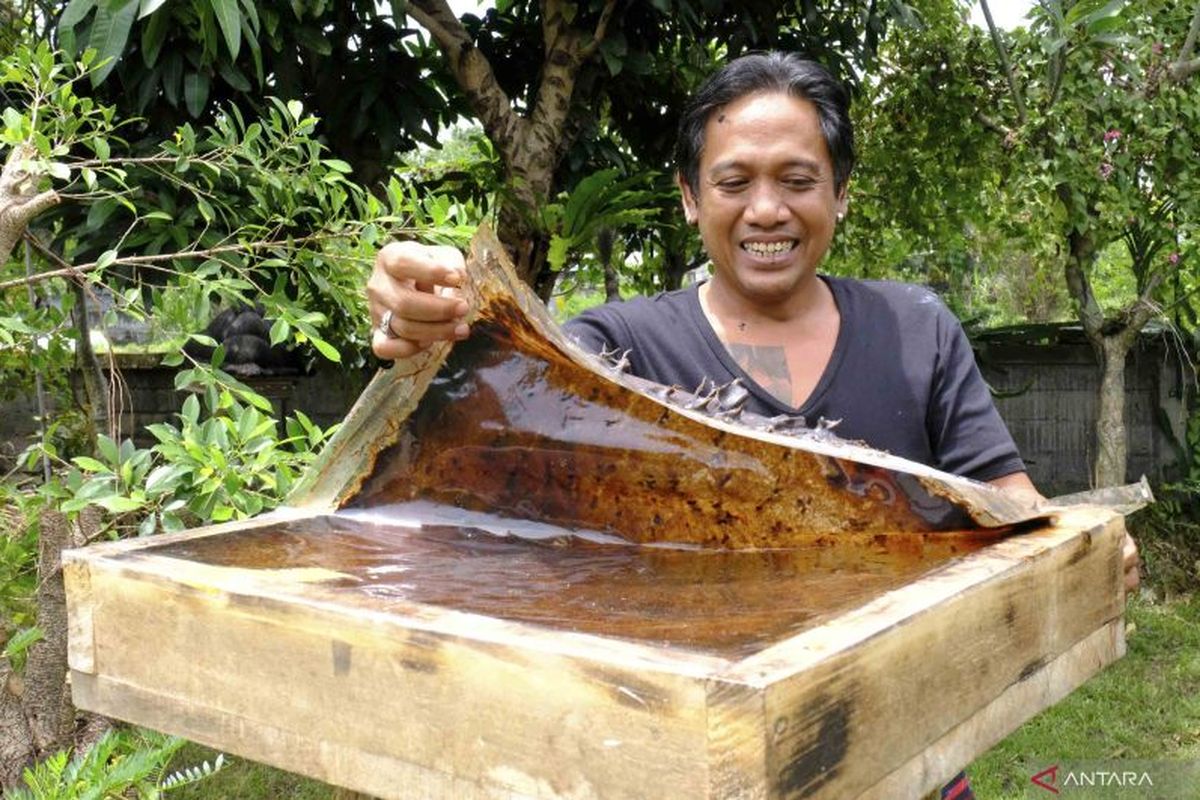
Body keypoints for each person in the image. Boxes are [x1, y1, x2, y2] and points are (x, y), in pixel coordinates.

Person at [366, 52, 1137, 799]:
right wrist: (437, 323)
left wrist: (1086, 546)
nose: (766, 209)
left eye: (798, 180)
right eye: (734, 182)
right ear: (691, 197)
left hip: (906, 751)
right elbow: (502, 411)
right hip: (692, 761)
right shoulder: (616, 348)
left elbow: (1012, 507)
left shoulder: (917, 329)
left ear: (839, 194)